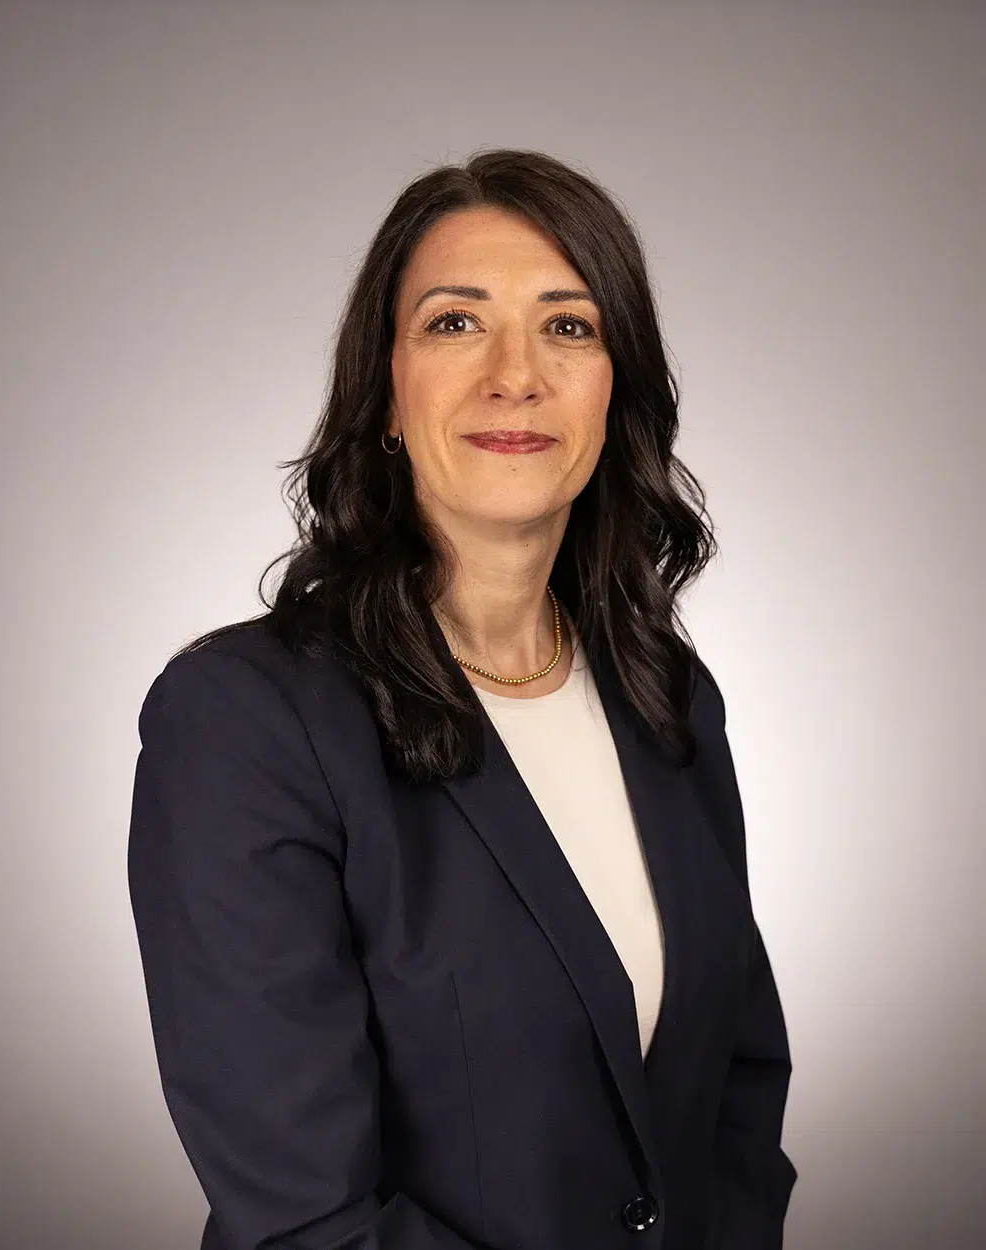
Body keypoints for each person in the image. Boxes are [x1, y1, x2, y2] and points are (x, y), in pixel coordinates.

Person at [128, 147, 797, 1250]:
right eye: (454, 322)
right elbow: (307, 1215)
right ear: (386, 392)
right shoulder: (241, 719)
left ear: (612, 389)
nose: (515, 373)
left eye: (568, 325)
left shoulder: (668, 700)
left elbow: (735, 1086)